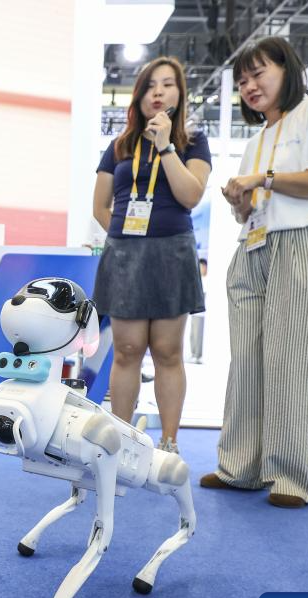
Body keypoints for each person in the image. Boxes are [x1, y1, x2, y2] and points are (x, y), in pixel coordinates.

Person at [202, 36, 308, 508]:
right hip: (254, 246)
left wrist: (265, 179)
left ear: (287, 69)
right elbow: (252, 209)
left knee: (297, 360)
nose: (249, 86)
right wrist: (241, 202)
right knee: (247, 361)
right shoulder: (255, 141)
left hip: (306, 240)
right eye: (242, 81)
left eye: (258, 73)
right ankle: (240, 466)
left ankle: (290, 476)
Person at [91, 56, 212, 455]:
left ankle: (168, 444)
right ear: (139, 95)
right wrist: (124, 239)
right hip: (126, 255)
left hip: (172, 253)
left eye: (167, 84)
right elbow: (100, 206)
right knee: (126, 351)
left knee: (167, 351)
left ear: (180, 93)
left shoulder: (193, 142)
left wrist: (166, 147)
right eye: (150, 86)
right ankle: (122, 444)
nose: (158, 92)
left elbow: (190, 196)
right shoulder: (119, 146)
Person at [188, 258, 208, 364]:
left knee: (198, 334)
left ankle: (197, 355)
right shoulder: (197, 279)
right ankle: (193, 354)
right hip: (194, 311)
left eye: (201, 266)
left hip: (201, 313)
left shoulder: (207, 280)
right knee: (193, 334)